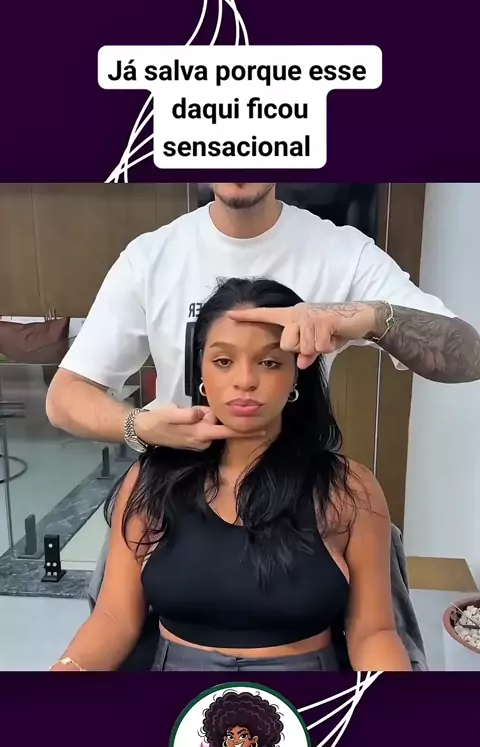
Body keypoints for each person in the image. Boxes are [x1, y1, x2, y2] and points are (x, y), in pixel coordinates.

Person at [48, 278, 412, 672]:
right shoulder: (152, 479)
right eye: (224, 361)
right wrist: (63, 675)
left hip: (305, 692)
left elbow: (373, 633)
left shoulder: (348, 489)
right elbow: (114, 619)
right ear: (201, 371)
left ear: (296, 375)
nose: (245, 380)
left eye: (269, 362)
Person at [46, 182, 480, 457]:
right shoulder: (149, 258)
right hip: (176, 490)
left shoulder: (344, 253)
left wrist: (363, 316)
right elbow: (65, 398)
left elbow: (468, 356)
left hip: (297, 491)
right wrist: (138, 426)